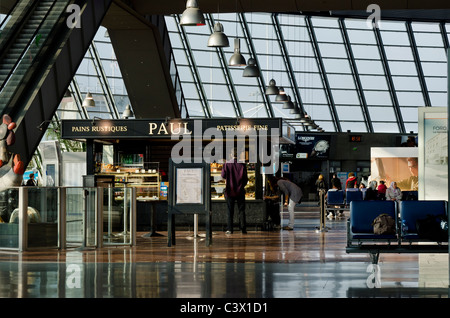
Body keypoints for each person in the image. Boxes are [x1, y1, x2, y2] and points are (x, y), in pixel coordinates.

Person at [221, 148, 248, 234]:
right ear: (239, 155)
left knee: (230, 211)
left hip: (230, 191)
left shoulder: (226, 164)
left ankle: (230, 229)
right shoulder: (242, 165)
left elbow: (223, 175)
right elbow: (246, 179)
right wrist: (241, 185)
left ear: (231, 155)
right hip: (240, 191)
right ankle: (243, 229)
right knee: (241, 210)